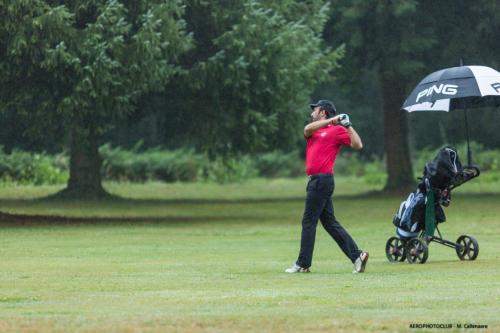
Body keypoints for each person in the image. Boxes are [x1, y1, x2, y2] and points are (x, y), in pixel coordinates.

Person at [285, 99, 369, 274]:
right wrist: (333, 120)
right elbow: (306, 130)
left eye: (314, 110)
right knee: (330, 223)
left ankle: (303, 263)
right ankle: (357, 256)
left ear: (322, 111)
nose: (311, 113)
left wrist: (348, 125)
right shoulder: (314, 129)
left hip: (322, 181)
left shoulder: (337, 131)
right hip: (317, 181)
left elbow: (358, 145)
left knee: (308, 222)